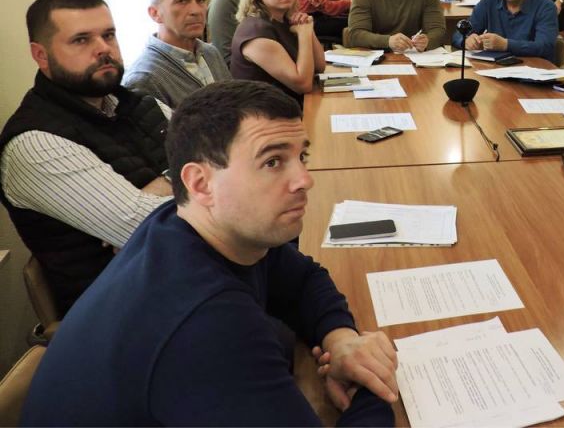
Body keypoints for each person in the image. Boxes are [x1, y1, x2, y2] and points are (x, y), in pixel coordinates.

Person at [21, 80, 398, 425]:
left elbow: (303, 280)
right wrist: (374, 385)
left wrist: (343, 342)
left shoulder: (185, 222)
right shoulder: (205, 324)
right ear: (200, 184)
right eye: (272, 162)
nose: (304, 180)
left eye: (302, 157)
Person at [0, 0, 172, 315]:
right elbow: (152, 231)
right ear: (41, 55)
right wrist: (191, 178)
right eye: (81, 40)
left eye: (108, 35)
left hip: (185, 282)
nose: (103, 48)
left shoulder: (139, 104)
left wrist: (166, 181)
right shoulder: (35, 142)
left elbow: (222, 160)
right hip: (123, 315)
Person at [123, 0, 232, 108]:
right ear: (155, 13)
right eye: (182, 1)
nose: (196, 11)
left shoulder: (211, 53)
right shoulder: (145, 78)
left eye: (200, 0)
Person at [231, 0, 326, 108]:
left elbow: (320, 66)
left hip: (291, 108)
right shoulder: (256, 32)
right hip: (265, 116)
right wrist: (303, 35)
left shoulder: (285, 19)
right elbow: (303, 84)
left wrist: (308, 28)